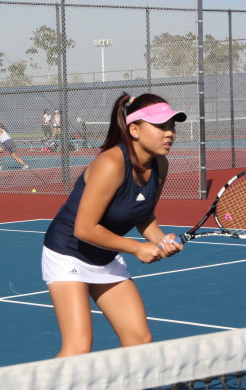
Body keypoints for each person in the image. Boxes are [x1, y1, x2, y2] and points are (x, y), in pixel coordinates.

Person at [42, 92, 185, 357]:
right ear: (134, 129)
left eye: (172, 126)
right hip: (68, 253)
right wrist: (136, 248)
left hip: (105, 256)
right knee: (78, 348)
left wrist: (160, 238)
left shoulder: (160, 166)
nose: (169, 133)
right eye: (160, 126)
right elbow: (84, 228)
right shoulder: (110, 164)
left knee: (139, 340)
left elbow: (143, 215)